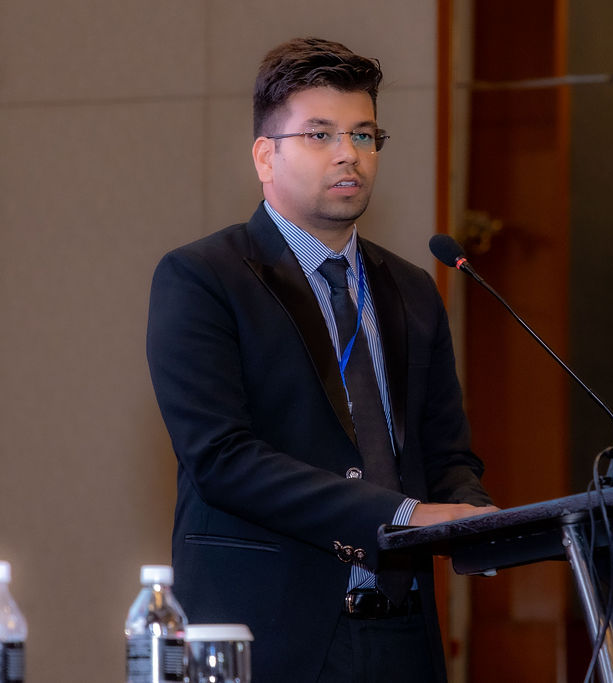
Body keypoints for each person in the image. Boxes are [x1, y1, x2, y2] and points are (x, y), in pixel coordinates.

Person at [146, 37, 497, 682]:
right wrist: (400, 516)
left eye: (364, 135)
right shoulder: (203, 278)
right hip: (269, 633)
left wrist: (478, 517)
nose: (348, 154)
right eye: (320, 134)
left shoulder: (413, 288)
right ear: (265, 155)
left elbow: (446, 454)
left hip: (402, 635)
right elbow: (221, 458)